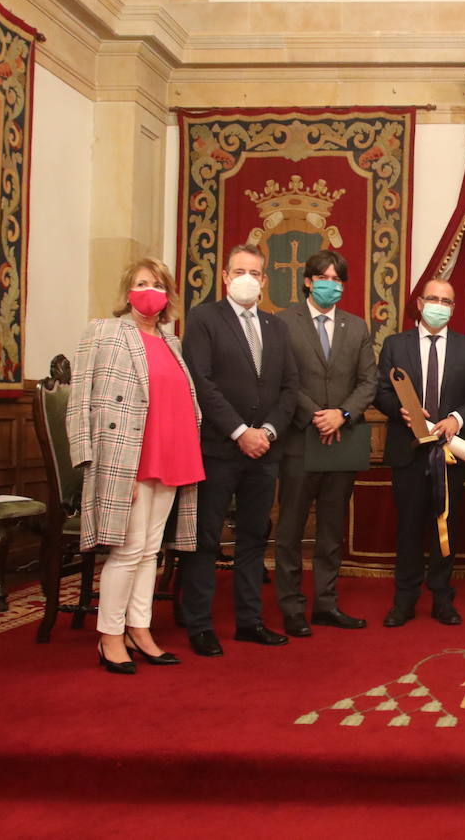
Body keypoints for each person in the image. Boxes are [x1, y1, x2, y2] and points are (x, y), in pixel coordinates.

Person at [68, 256, 204, 674]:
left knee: (150, 551)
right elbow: (81, 397)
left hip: (173, 451)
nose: (151, 290)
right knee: (127, 550)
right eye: (143, 282)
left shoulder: (172, 342)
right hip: (127, 455)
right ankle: (109, 635)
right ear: (128, 290)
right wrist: (87, 457)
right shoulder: (104, 332)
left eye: (159, 284)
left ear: (167, 297)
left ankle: (139, 628)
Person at [180, 243, 299, 657]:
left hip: (264, 451)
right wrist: (238, 431)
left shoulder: (277, 327)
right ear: (226, 277)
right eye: (240, 271)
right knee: (205, 540)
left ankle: (250, 621)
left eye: (256, 272)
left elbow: (289, 388)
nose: (248, 278)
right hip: (218, 448)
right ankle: (199, 624)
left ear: (264, 281)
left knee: (253, 538)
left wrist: (265, 431)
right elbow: (201, 382)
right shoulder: (204, 319)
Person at [273, 250, 377, 637]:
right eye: (323, 277)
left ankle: (326, 604)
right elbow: (284, 378)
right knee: (291, 529)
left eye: (337, 278)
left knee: (332, 530)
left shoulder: (356, 326)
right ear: (307, 281)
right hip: (301, 439)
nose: (330, 283)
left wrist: (342, 415)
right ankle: (291, 607)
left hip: (342, 441)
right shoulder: (284, 323)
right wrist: (318, 415)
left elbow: (369, 381)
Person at [375, 277, 465, 627]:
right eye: (433, 298)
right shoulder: (396, 345)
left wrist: (457, 418)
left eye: (446, 300)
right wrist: (400, 411)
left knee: (445, 528)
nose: (439, 305)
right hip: (408, 452)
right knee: (408, 528)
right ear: (420, 303)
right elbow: (380, 392)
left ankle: (442, 598)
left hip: (449, 455)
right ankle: (405, 600)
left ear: (453, 309)